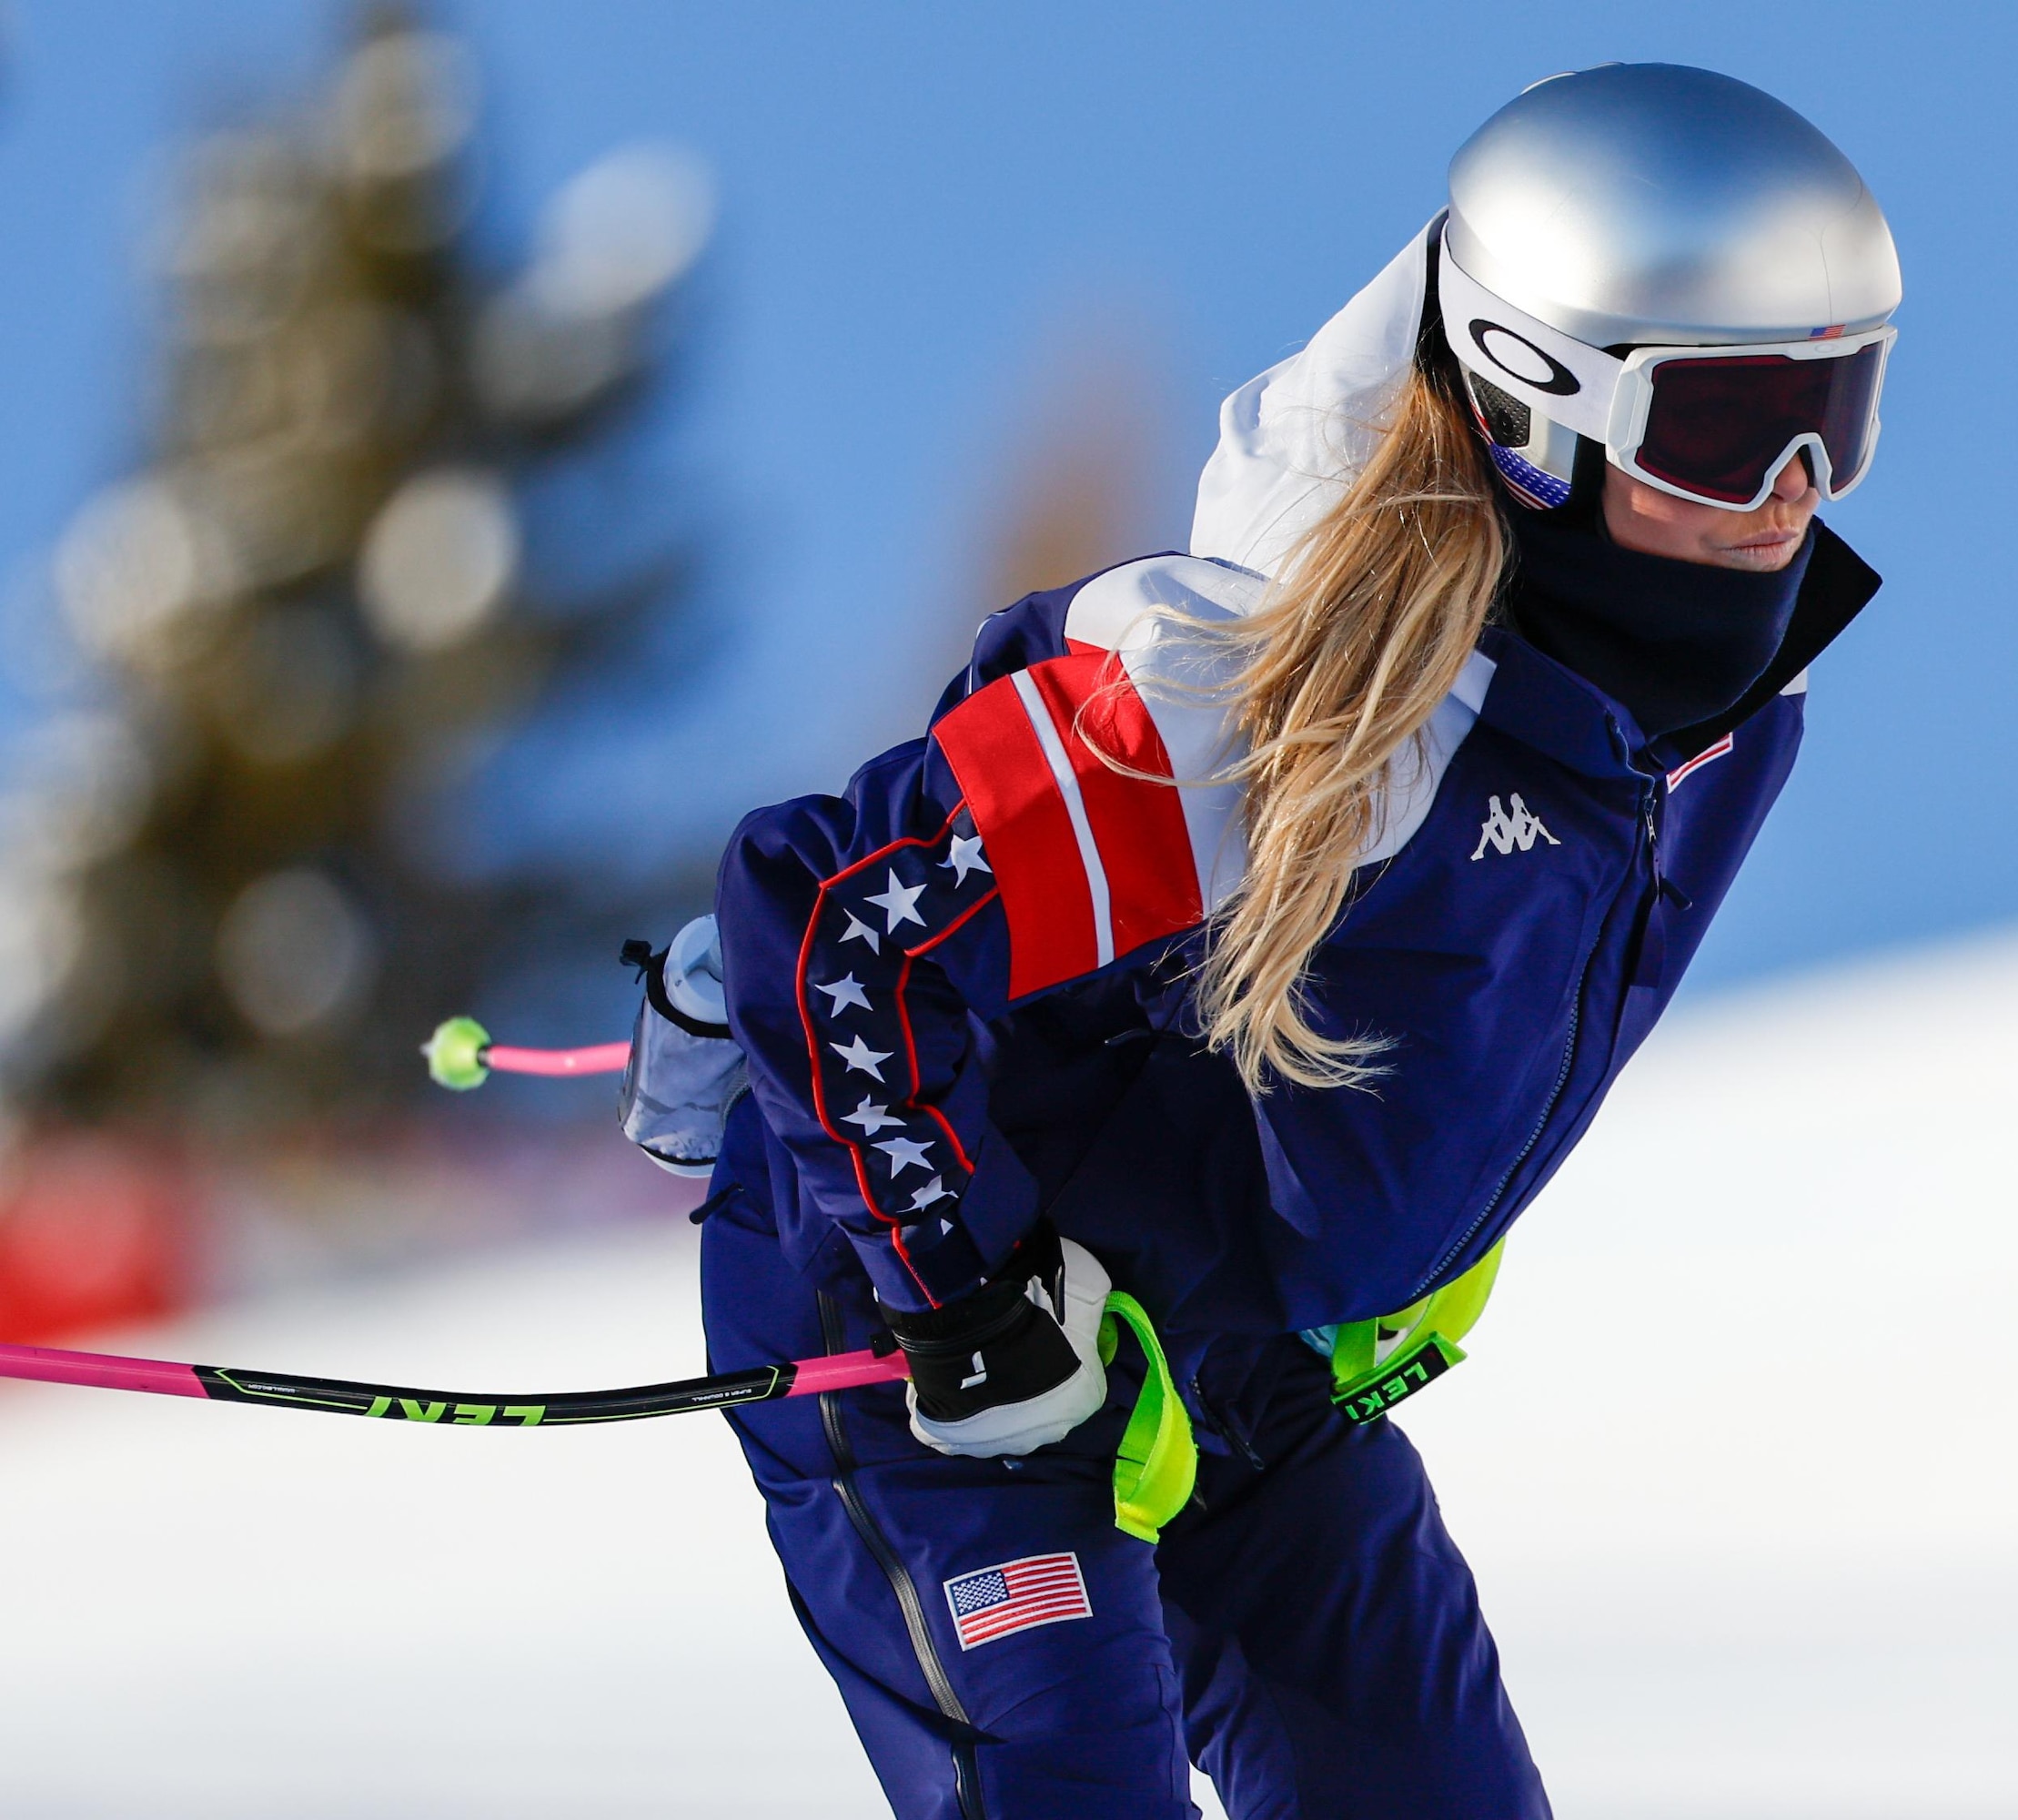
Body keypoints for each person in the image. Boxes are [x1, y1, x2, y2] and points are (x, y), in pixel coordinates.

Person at [695, 62, 1899, 1819]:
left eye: (1836, 414)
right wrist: (966, 1292)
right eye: (1724, 426)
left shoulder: (1701, 726)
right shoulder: (1273, 700)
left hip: (1233, 1363)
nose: (1791, 490)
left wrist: (1393, 1248)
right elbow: (829, 915)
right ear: (1537, 399)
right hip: (945, 1350)